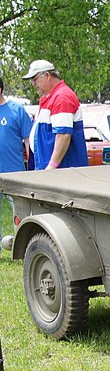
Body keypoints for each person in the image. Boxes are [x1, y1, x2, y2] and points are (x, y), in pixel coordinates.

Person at [23, 59, 88, 170]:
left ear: (47, 75)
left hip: (61, 171)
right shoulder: (50, 98)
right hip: (51, 169)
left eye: (35, 79)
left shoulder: (62, 97)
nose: (33, 84)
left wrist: (51, 166)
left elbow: (63, 135)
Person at [0, 75, 33, 248]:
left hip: (14, 171)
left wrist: (31, 168)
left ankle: (24, 246)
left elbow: (28, 141)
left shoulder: (16, 110)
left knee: (20, 212)